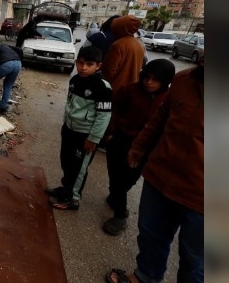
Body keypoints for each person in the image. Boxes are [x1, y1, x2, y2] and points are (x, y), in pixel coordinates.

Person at [105, 54, 204, 283]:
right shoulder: (183, 81)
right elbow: (160, 119)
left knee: (196, 260)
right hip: (161, 178)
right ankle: (145, 276)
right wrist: (138, 147)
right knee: (151, 235)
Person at [102, 59, 175, 236]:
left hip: (146, 147)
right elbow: (113, 110)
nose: (149, 83)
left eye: (155, 80)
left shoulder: (169, 99)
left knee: (129, 179)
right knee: (116, 177)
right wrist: (110, 133)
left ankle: (117, 198)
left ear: (165, 81)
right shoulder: (129, 90)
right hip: (121, 140)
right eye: (147, 77)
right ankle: (120, 214)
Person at [45, 46, 112, 210]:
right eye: (80, 63)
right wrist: (65, 124)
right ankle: (65, 188)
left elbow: (104, 116)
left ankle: (72, 199)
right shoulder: (74, 81)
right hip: (69, 130)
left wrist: (93, 139)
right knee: (66, 162)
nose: (83, 68)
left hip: (86, 136)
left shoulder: (103, 88)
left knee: (79, 168)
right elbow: (69, 104)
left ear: (98, 66)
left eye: (89, 64)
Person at [101, 15, 144, 91]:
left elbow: (108, 71)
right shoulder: (139, 45)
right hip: (132, 88)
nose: (113, 29)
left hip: (116, 88)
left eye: (115, 26)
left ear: (121, 28)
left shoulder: (118, 45)